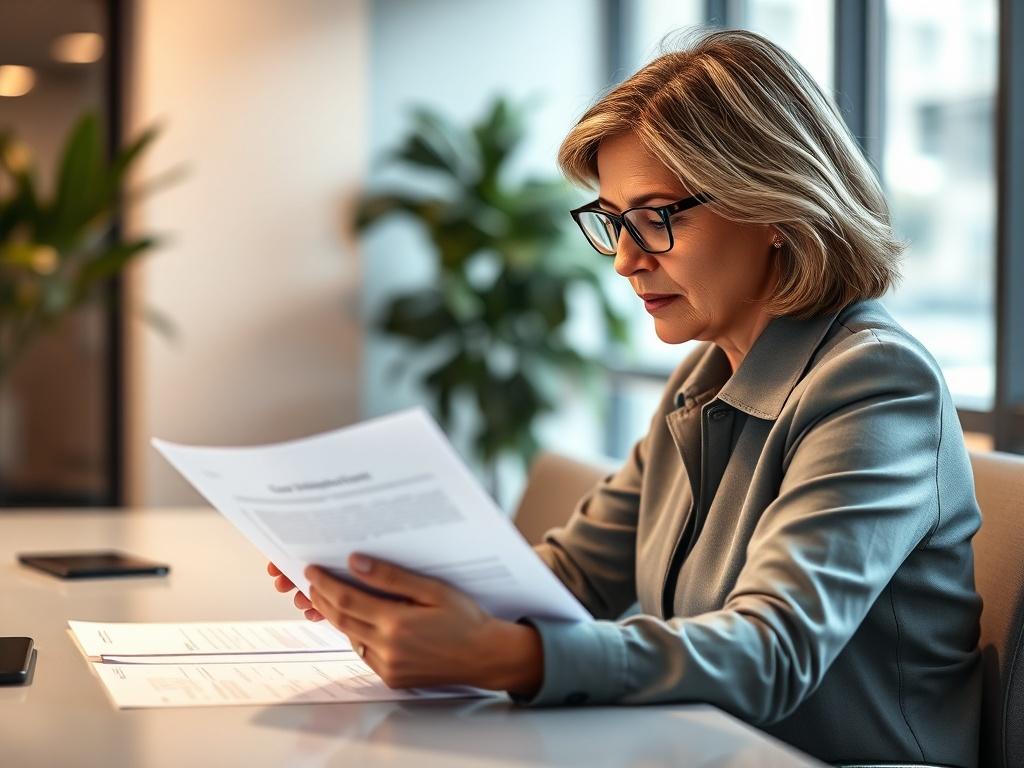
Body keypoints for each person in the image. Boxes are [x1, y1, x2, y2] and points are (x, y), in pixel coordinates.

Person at [268, 29, 982, 767]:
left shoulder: (876, 382)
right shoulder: (706, 377)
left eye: (657, 217)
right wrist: (392, 595)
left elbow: (773, 652)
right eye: (613, 222)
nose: (627, 260)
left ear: (774, 205)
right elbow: (572, 578)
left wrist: (510, 656)